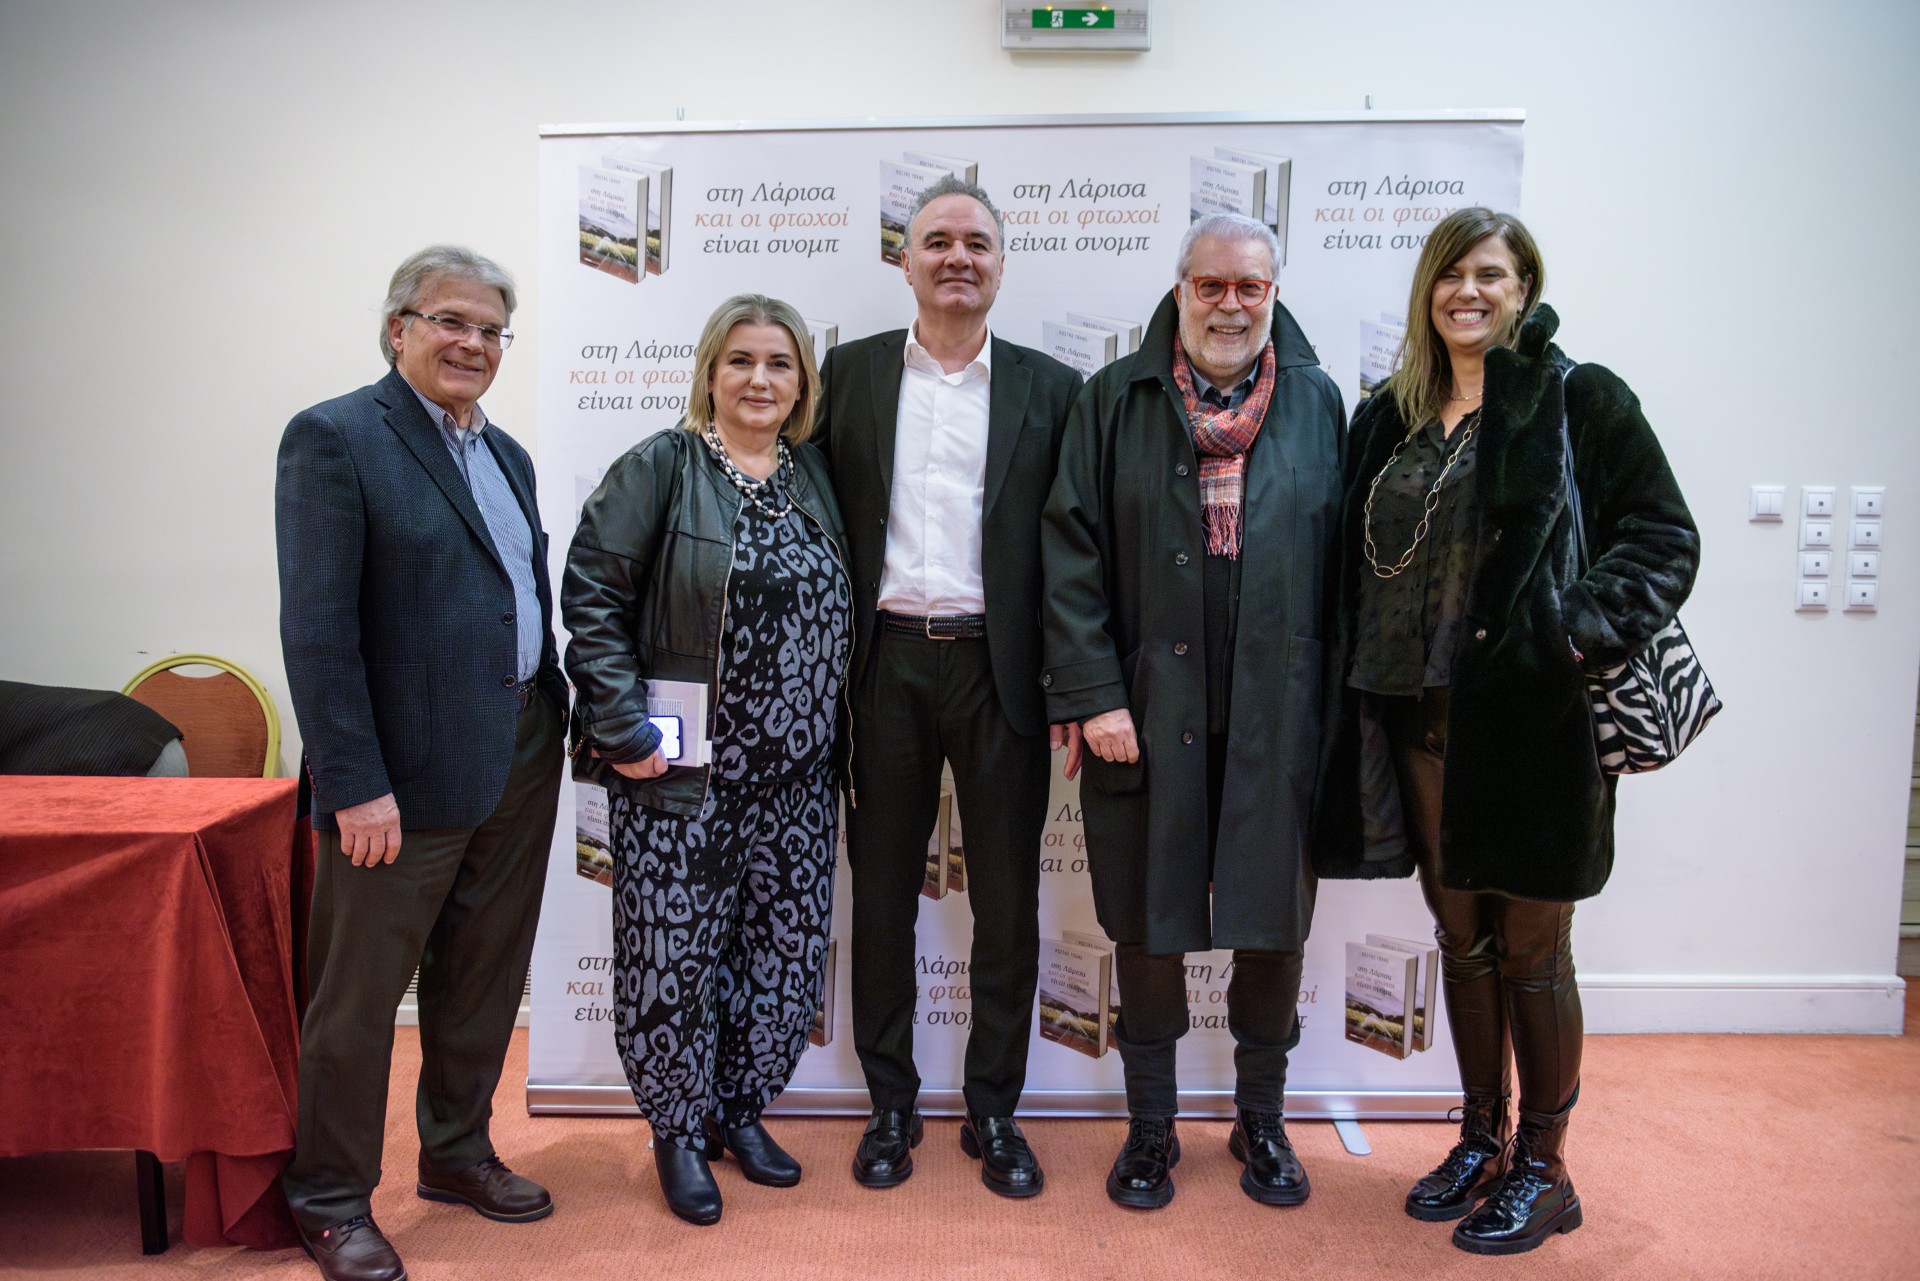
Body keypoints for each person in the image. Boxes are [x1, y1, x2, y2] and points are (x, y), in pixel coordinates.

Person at [1312, 208, 1699, 1255]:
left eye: (1491, 274)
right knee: (1462, 941)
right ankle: (1480, 1139)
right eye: (1451, 275)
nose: (1468, 293)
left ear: (1524, 287)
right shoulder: (1386, 416)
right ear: (1427, 292)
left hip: (1532, 722)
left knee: (1532, 949)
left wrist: (1570, 635)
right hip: (1413, 718)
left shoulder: (1579, 398)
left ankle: (1545, 1167)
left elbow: (1663, 536)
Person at [1041, 212, 1344, 1210]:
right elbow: (1070, 556)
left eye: (1250, 287)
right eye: (1210, 285)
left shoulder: (1317, 400)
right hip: (1144, 708)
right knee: (1148, 918)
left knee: (1274, 920)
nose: (1230, 305)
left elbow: (1341, 564)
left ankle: (1262, 1118)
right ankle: (1152, 1126)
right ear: (1179, 290)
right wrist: (1093, 694)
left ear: (1274, 294)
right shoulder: (1113, 399)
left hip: (1279, 710)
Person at [276, 246, 567, 1281]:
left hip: (520, 751)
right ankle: (328, 1197)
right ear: (398, 327)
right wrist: (354, 783)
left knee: (482, 976)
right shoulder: (336, 437)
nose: (472, 344)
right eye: (452, 320)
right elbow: (318, 632)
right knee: (358, 1000)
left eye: (491, 329)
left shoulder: (506, 453)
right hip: (395, 780)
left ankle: (454, 1151)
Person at [814, 174, 1083, 1198]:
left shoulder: (1054, 389)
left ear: (1002, 265)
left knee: (1007, 903)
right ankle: (891, 1104)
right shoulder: (847, 374)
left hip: (1001, 671)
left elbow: (1076, 551)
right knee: (882, 897)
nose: (957, 257)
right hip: (881, 666)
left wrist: (1074, 683)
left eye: (976, 243)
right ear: (906, 260)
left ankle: (995, 1110)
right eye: (937, 241)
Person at [563, 294, 852, 1226]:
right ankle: (679, 1130)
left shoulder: (815, 476)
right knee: (673, 959)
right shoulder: (663, 465)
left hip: (799, 783)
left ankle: (739, 1110)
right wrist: (622, 728)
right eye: (741, 361)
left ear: (802, 382)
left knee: (782, 959)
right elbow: (593, 594)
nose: (760, 379)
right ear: (710, 373)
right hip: (682, 779)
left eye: (779, 363)